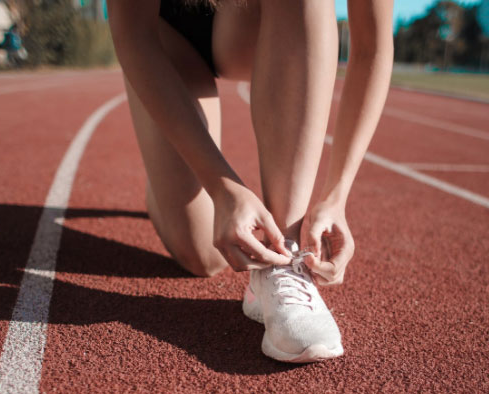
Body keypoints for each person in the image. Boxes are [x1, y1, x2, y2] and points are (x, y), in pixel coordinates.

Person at [107, 0, 393, 362]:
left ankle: (283, 257)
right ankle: (161, 190)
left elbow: (372, 47)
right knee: (204, 257)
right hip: (168, 29)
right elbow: (132, 32)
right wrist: (221, 186)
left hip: (253, 25)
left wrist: (337, 195)